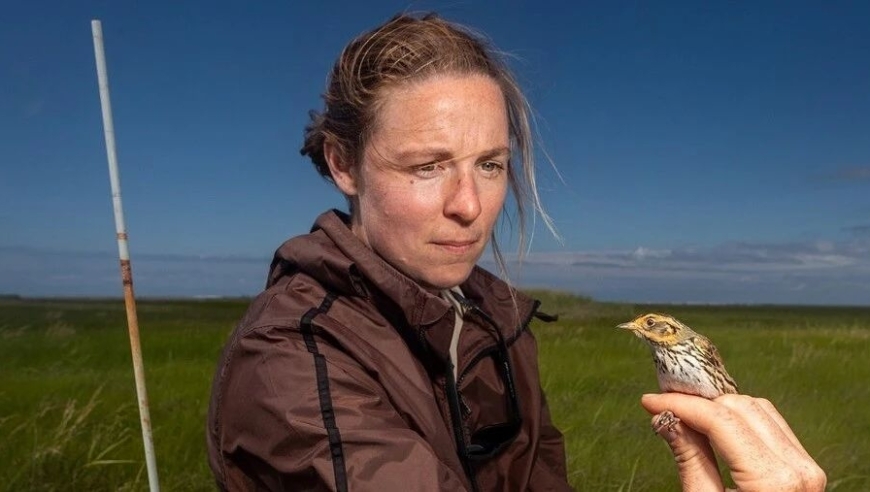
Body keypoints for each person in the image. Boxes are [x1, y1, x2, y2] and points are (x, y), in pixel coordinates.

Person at [206, 12, 826, 491]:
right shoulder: (292, 358)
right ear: (343, 163)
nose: (470, 205)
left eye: (492, 164)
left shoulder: (493, 320)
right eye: (428, 166)